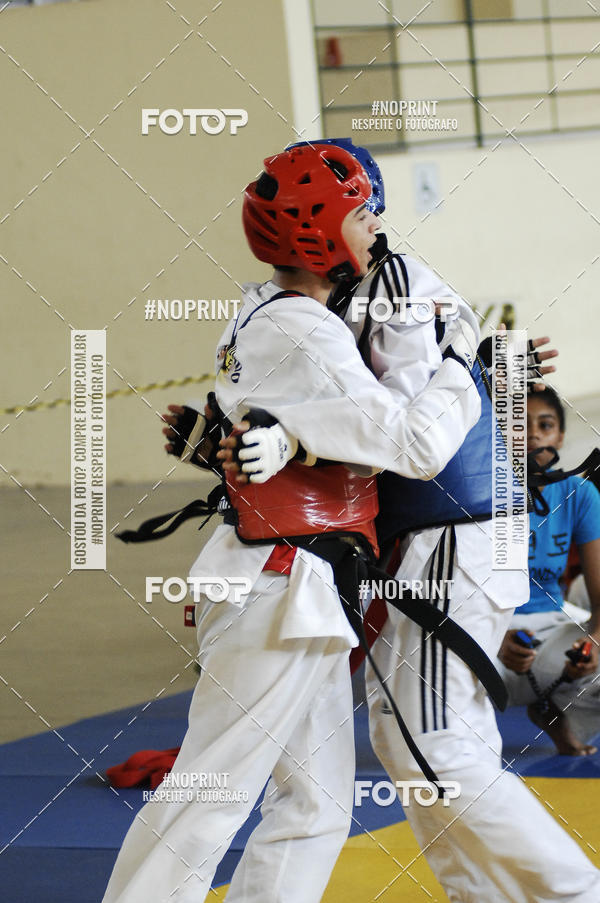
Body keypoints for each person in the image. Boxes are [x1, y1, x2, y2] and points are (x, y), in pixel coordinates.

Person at [101, 142, 482, 903]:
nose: (375, 227)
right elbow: (416, 444)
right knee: (209, 794)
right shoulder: (302, 329)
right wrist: (461, 355)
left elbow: (291, 440)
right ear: (319, 232)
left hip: (303, 584)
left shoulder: (273, 315)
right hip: (279, 585)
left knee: (314, 807)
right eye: (362, 213)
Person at [223, 141, 600, 903]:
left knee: (433, 744)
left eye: (367, 211)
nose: (369, 224)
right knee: (427, 741)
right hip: (437, 533)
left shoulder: (392, 285)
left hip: (448, 530)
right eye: (359, 212)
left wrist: (469, 360)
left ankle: (575, 889)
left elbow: (411, 434)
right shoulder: (345, 291)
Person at [498, 386, 600, 755]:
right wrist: (490, 637)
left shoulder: (580, 494)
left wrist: (593, 646)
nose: (534, 433)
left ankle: (561, 716)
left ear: (559, 435)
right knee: (428, 659)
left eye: (545, 424)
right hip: (484, 634)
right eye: (519, 425)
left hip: (551, 629)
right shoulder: (477, 488)